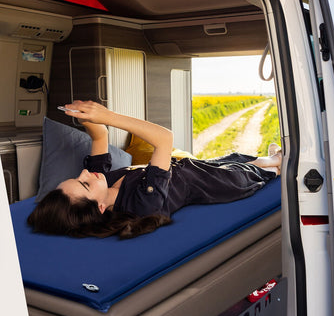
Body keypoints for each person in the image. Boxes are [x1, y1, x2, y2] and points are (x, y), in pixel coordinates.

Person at [28, 101, 282, 239]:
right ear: (100, 208)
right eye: (84, 184)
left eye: (77, 177)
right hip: (214, 183)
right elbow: (164, 139)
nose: (85, 174)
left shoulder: (100, 183)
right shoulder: (142, 204)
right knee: (255, 171)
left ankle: (266, 159)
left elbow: (99, 136)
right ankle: (274, 164)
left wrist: (85, 116)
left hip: (192, 167)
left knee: (237, 156)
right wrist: (110, 115)